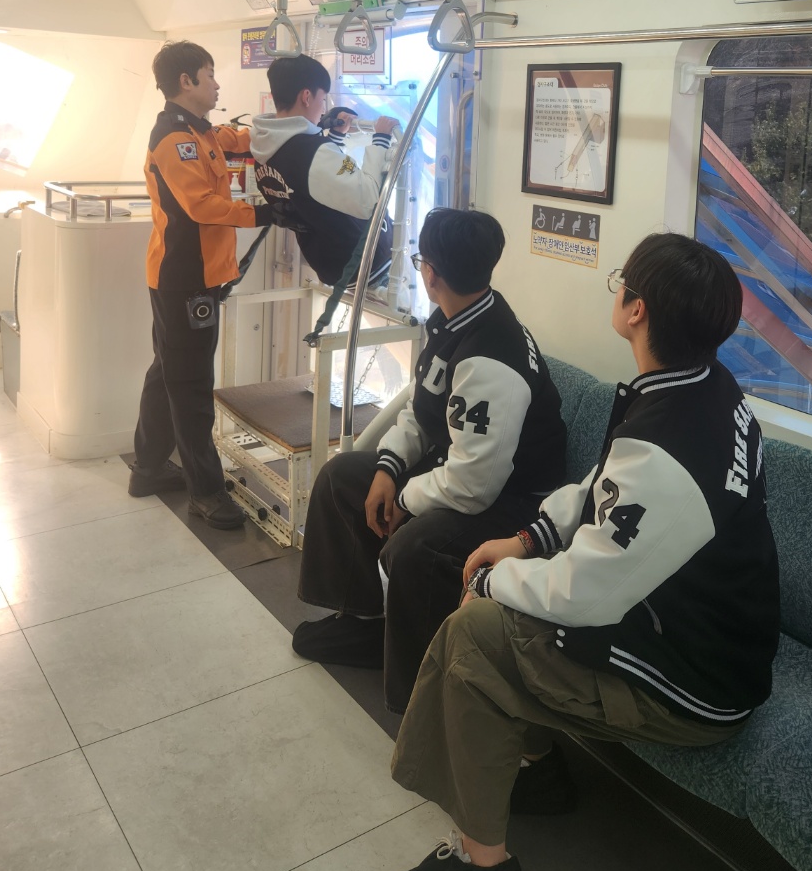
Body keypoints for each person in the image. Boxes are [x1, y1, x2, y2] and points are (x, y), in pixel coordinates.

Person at [375, 234, 781, 871]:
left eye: (622, 280)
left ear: (637, 309)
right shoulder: (703, 388)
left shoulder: (670, 445)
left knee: (474, 632)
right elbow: (604, 483)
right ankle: (531, 773)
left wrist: (489, 582)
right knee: (499, 615)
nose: (617, 291)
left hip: (695, 680)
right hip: (700, 626)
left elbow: (586, 594)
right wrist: (527, 539)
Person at [293, 207, 569, 714]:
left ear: (431, 273)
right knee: (341, 478)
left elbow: (475, 486)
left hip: (514, 500)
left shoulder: (490, 358)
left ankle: (420, 686)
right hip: (462, 468)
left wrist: (404, 499)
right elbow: (423, 410)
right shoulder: (452, 320)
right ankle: (365, 622)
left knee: (416, 548)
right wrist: (388, 469)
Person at [130, 41, 274, 529]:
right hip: (185, 279)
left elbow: (236, 138)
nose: (216, 84)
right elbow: (202, 206)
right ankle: (207, 493)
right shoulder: (175, 139)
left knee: (167, 370)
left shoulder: (200, 130)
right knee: (191, 385)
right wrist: (264, 212)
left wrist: (287, 127)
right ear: (186, 81)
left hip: (192, 276)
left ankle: (148, 468)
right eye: (209, 75)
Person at [250, 55, 397, 289]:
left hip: (328, 264)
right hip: (365, 264)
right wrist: (381, 139)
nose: (324, 108)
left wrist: (336, 138)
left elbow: (315, 185)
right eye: (323, 98)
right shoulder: (311, 152)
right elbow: (370, 199)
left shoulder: (263, 152)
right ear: (306, 97)